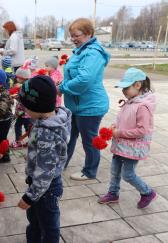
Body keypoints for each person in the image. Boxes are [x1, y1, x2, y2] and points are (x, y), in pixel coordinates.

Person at [17, 75, 71, 243]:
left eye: (25, 107)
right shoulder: (54, 117)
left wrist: (29, 197)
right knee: (35, 220)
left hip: (45, 190)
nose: (23, 109)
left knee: (48, 226)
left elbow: (45, 172)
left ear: (37, 107)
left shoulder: (46, 133)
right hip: (42, 186)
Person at [58, 18, 111, 181]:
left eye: (76, 35)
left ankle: (89, 171)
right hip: (76, 105)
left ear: (88, 33)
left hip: (90, 106)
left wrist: (61, 88)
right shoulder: (81, 50)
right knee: (69, 136)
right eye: (71, 36)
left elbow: (84, 80)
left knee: (90, 141)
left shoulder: (93, 53)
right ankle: (61, 164)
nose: (73, 39)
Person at [98, 68, 157, 209]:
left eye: (126, 87)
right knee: (114, 171)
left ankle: (147, 192)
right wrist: (115, 126)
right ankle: (113, 193)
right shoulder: (131, 101)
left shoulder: (143, 106)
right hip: (121, 145)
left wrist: (119, 133)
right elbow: (126, 120)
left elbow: (142, 130)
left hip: (132, 148)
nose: (123, 91)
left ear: (137, 85)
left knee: (128, 174)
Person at [10, 66, 32, 149]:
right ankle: (21, 141)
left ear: (22, 78)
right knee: (24, 127)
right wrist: (16, 95)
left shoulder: (25, 87)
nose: (16, 79)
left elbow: (24, 98)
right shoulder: (26, 85)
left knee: (26, 128)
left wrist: (16, 97)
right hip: (23, 112)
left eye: (17, 77)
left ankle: (28, 142)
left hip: (24, 113)